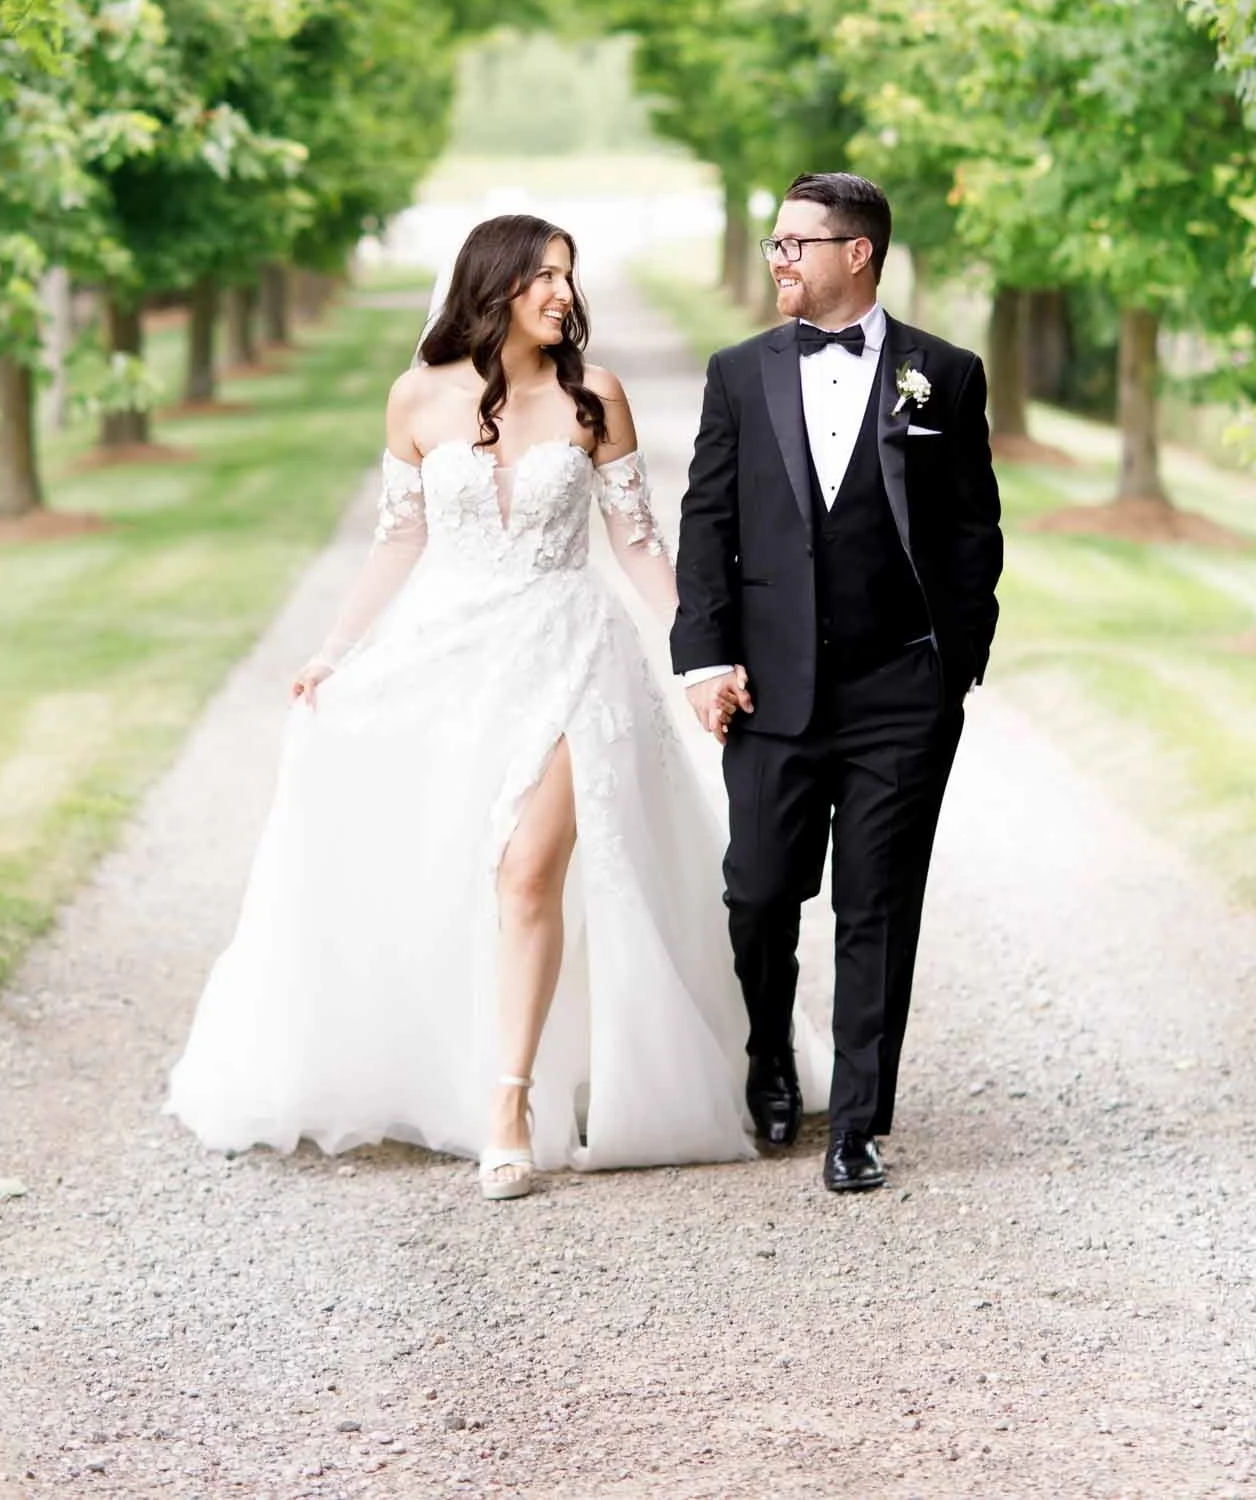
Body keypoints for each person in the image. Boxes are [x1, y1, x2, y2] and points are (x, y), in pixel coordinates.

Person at [168, 215, 751, 1197]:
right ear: (494, 285)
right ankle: (459, 1058)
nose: (562, 294)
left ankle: (508, 1102)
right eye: (542, 278)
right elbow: (398, 540)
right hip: (452, 654)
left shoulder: (594, 397)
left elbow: (637, 541)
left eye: (568, 276)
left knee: (529, 871)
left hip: (573, 649)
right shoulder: (417, 398)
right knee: (451, 865)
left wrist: (699, 656)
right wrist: (331, 652)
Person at [672, 172, 1003, 1193]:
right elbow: (707, 525)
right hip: (768, 691)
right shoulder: (738, 373)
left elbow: (968, 528)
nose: (777, 259)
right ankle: (768, 1049)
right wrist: (704, 654)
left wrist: (954, 664)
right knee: (758, 892)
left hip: (900, 693)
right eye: (774, 244)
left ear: (853, 253)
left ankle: (856, 1122)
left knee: (876, 906)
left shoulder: (940, 374)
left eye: (792, 244)